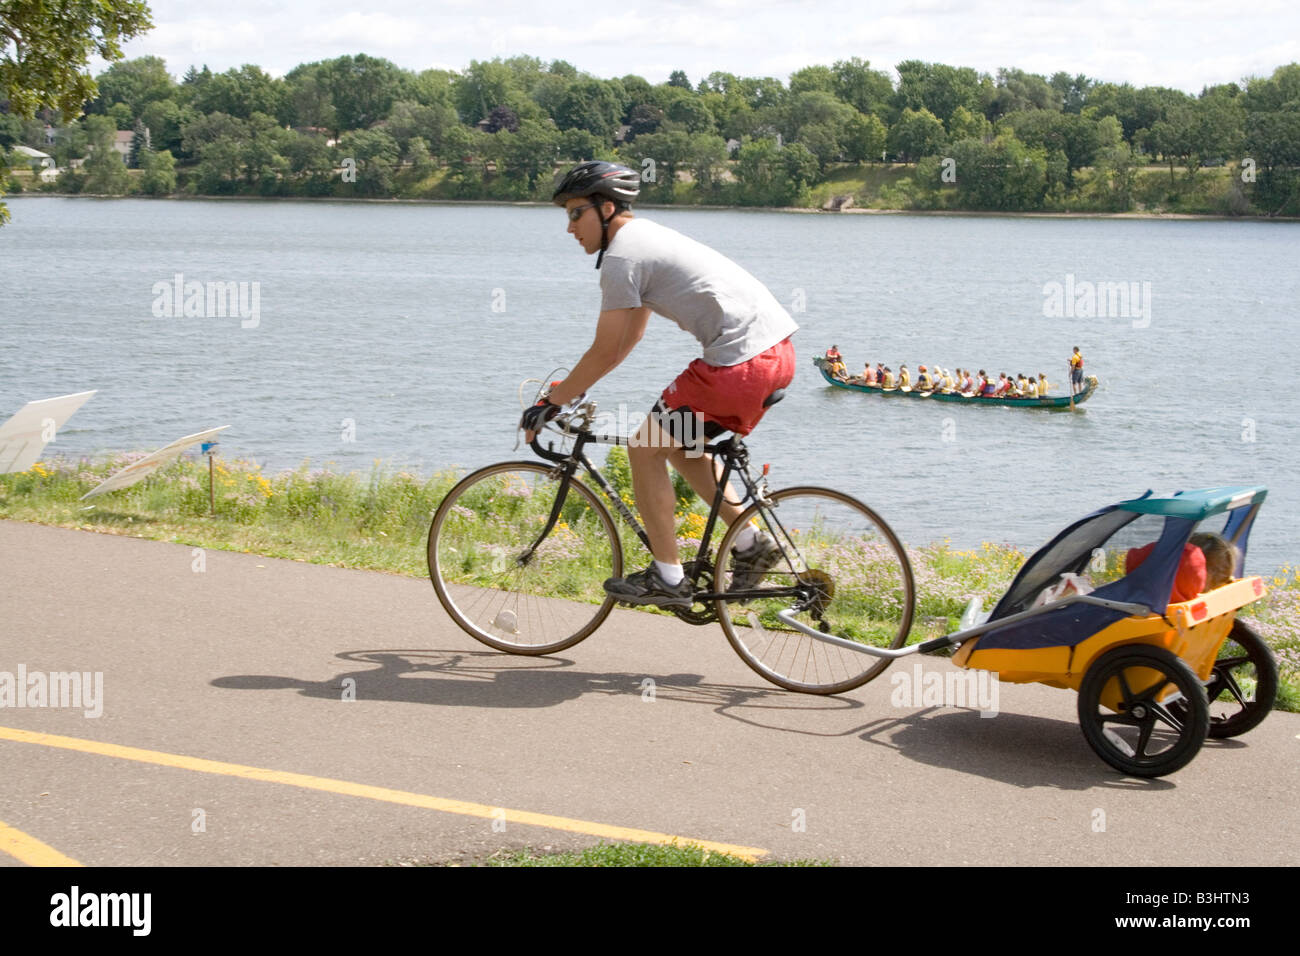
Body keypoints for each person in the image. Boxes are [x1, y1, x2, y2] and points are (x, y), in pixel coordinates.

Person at [524, 161, 797, 608]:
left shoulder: (622, 258)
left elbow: (606, 349)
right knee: (683, 447)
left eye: (576, 213)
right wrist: (571, 390)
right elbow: (627, 338)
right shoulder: (642, 239)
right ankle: (751, 546)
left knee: (643, 447)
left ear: (606, 208)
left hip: (739, 362)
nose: (569, 227)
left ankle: (668, 578)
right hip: (774, 355)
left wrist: (551, 402)